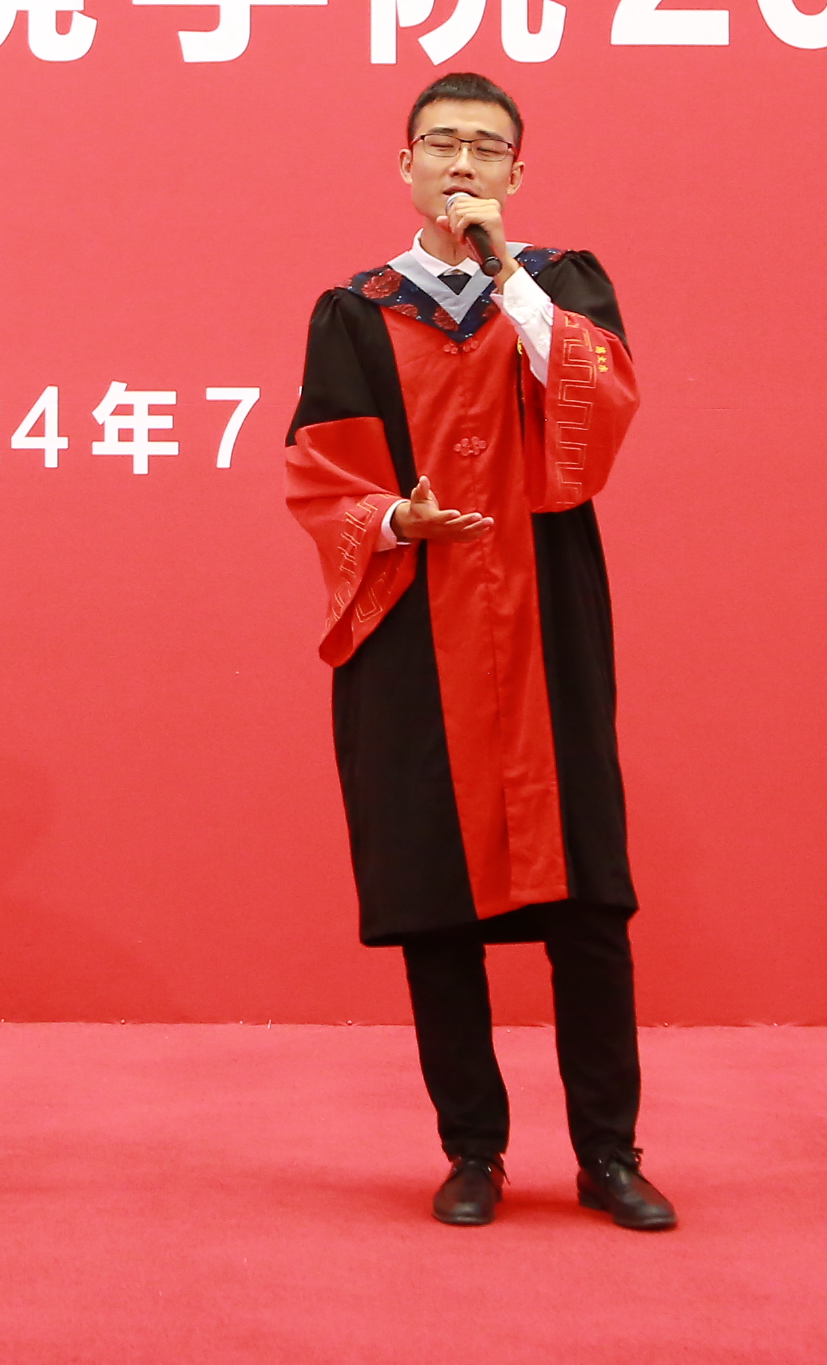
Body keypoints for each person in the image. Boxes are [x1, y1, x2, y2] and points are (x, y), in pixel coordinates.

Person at [281, 74, 673, 1232]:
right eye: (442, 143)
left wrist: (507, 275)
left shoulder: (560, 285)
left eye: (486, 148)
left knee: (588, 901)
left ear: (516, 173)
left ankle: (609, 1152)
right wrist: (392, 519)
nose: (463, 164)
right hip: (416, 620)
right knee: (437, 902)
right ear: (404, 163)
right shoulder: (354, 311)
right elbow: (320, 469)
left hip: (546, 620)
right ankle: (473, 1150)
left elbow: (600, 405)